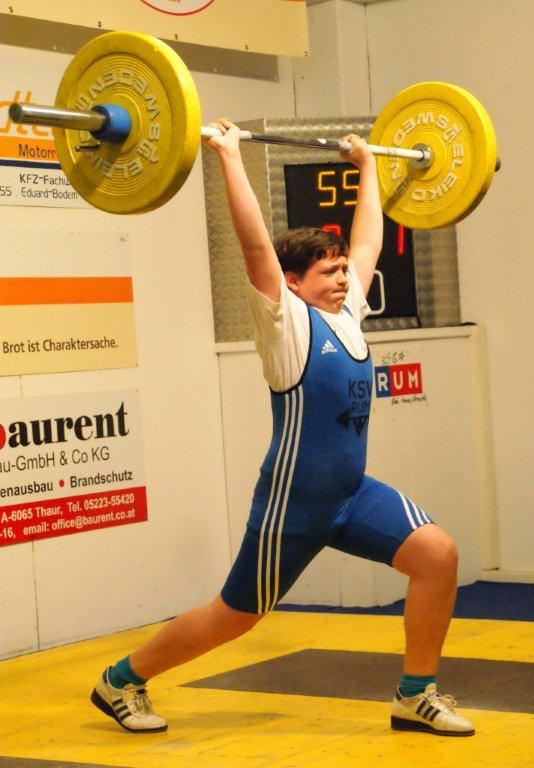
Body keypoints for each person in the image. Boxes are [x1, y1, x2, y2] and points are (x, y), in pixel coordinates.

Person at [90, 119, 474, 738]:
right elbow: (254, 250)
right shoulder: (286, 326)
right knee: (235, 616)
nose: (344, 278)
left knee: (437, 555)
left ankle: (414, 694)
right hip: (292, 504)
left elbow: (369, 240)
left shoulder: (347, 316)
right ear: (292, 284)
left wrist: (369, 167)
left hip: (351, 494)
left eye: (344, 270)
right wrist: (228, 155)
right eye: (329, 273)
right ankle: (120, 679)